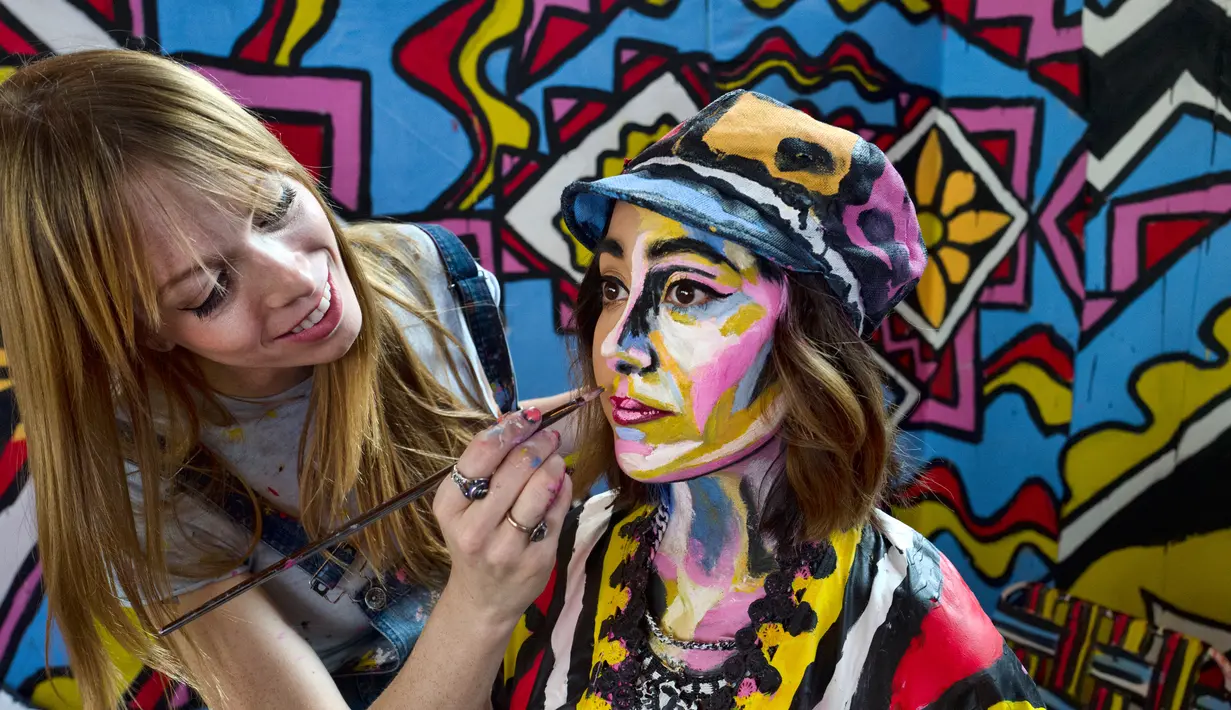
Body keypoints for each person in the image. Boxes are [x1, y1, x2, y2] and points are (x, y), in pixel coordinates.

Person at [0, 49, 575, 709]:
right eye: (211, 289)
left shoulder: (421, 273)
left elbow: (507, 454)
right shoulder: (140, 486)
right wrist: (482, 601)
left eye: (273, 208)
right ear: (143, 331)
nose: (299, 282)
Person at [494, 90, 1046, 709]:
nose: (620, 345)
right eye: (616, 286)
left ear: (808, 343)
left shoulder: (915, 621)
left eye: (687, 292)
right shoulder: (553, 559)